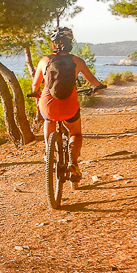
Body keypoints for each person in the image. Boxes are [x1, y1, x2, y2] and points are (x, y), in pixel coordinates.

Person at [29, 27, 105, 182]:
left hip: (48, 106)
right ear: (71, 42)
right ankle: (73, 163)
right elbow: (92, 80)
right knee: (75, 133)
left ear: (53, 45)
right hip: (69, 108)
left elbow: (35, 85)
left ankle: (48, 152)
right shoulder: (77, 61)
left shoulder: (45, 61)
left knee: (48, 119)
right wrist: (98, 86)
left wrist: (36, 93)